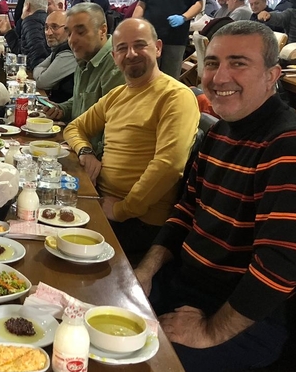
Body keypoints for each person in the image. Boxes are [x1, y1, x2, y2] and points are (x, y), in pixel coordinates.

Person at [133, 20, 296, 372]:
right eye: (212, 63)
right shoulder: (220, 131)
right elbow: (186, 211)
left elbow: (281, 266)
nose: (219, 77)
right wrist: (146, 271)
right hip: (188, 285)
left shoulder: (291, 146)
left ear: (272, 75)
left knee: (129, 369)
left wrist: (208, 332)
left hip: (249, 316)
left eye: (238, 63)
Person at [63, 18, 199, 260]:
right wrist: (85, 151)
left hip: (138, 222)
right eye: (122, 48)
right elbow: (74, 128)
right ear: (114, 56)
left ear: (158, 48)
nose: (131, 54)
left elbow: (169, 165)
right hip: (101, 201)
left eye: (139, 45)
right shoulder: (117, 95)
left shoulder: (176, 96)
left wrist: (122, 210)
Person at [44, 2, 125, 155]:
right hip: (76, 145)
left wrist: (87, 154)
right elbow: (81, 99)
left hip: (93, 156)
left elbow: (115, 128)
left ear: (102, 30)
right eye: (69, 34)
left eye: (80, 32)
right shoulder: (85, 57)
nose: (72, 40)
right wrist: (62, 109)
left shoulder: (116, 65)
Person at [33, 10, 77, 103]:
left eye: (54, 27)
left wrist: (42, 73)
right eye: (46, 27)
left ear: (69, 29)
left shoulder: (69, 52)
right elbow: (37, 68)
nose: (48, 33)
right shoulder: (59, 48)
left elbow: (42, 82)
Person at [4, 0, 50, 71]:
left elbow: (37, 55)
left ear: (27, 6)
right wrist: (9, 32)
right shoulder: (47, 20)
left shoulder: (30, 21)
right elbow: (23, 50)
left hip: (37, 73)